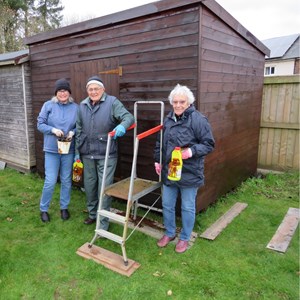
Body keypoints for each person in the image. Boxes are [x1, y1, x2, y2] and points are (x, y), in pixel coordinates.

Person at [154, 84, 215, 253]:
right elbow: (160, 142)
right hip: (169, 171)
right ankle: (170, 232)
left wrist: (190, 151)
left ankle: (185, 237)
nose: (178, 105)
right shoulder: (168, 119)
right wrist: (157, 161)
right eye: (175, 102)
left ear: (189, 102)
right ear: (171, 103)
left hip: (190, 172)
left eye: (182, 101)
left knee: (187, 207)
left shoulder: (198, 119)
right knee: (167, 204)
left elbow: (209, 144)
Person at [75, 75, 134, 229]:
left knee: (104, 188)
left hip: (106, 153)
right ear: (87, 90)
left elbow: (129, 117)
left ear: (103, 89)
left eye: (96, 89)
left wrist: (122, 126)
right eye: (90, 89)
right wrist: (77, 151)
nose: (93, 91)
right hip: (87, 153)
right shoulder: (82, 105)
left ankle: (103, 222)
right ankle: (93, 214)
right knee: (89, 186)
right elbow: (79, 129)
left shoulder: (112, 102)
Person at [37, 78, 78, 222]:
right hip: (52, 150)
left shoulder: (75, 107)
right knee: (50, 180)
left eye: (65, 90)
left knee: (67, 180)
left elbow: (80, 125)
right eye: (60, 91)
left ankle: (64, 207)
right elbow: (40, 124)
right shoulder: (48, 105)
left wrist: (74, 131)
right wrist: (52, 129)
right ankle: (44, 209)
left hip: (68, 149)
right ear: (56, 93)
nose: (62, 93)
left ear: (69, 92)